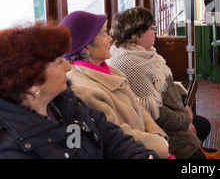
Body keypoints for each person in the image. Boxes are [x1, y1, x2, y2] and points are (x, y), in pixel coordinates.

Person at [0, 23, 158, 159]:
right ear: (33, 81)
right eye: (58, 62)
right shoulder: (11, 147)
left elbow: (110, 136)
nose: (68, 66)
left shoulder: (64, 103)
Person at [59, 11, 170, 159]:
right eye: (104, 34)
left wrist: (157, 134)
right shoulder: (83, 90)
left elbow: (139, 108)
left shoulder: (109, 71)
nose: (111, 39)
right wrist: (159, 143)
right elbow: (116, 134)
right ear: (86, 47)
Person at [107, 7, 211, 159]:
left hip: (172, 113)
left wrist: (184, 104)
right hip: (157, 129)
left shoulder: (146, 54)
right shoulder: (132, 65)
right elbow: (154, 112)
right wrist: (185, 121)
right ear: (138, 35)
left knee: (203, 124)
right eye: (151, 28)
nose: (155, 31)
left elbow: (168, 84)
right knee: (196, 145)